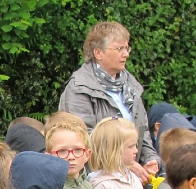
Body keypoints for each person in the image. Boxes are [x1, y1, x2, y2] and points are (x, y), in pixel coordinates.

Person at [59, 21, 161, 180]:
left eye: (127, 48)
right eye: (119, 48)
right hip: (95, 180)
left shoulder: (130, 85)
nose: (126, 54)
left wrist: (150, 159)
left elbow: (142, 130)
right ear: (98, 53)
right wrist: (123, 161)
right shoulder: (78, 88)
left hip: (129, 177)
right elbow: (84, 137)